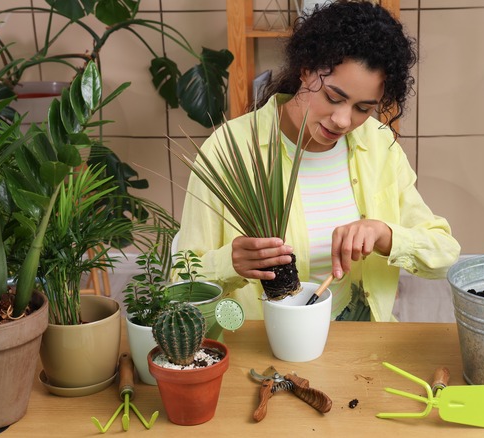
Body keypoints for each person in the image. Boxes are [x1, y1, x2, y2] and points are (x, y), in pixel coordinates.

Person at [172, 0, 460, 321]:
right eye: (333, 97)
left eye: (363, 108)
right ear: (306, 69)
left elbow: (445, 255)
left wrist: (385, 235)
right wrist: (229, 263)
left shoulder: (378, 145)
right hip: (265, 347)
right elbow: (180, 280)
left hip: (362, 341)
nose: (342, 120)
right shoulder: (229, 149)